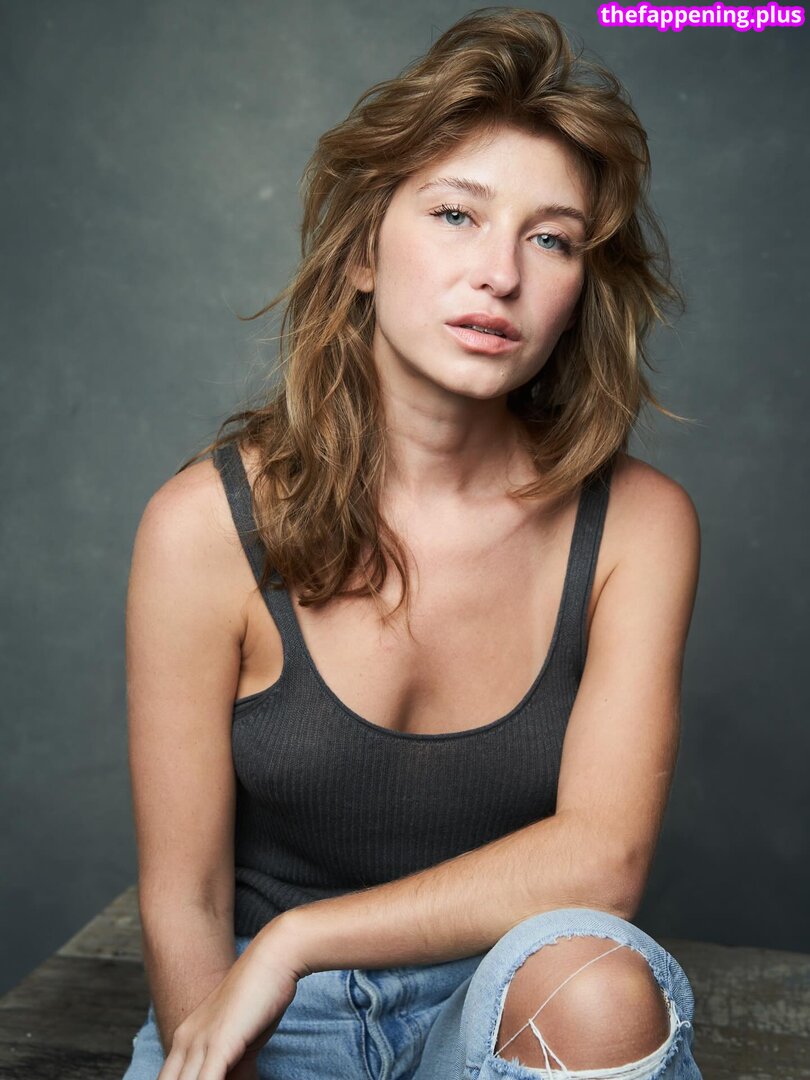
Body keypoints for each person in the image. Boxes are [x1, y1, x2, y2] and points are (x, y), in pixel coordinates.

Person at [122, 7, 703, 1079]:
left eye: (550, 238)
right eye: (455, 214)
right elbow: (185, 896)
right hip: (260, 1010)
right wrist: (243, 1007)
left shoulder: (637, 526)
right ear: (361, 254)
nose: (500, 274)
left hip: (494, 1000)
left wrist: (301, 939)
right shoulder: (202, 528)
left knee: (597, 984)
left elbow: (602, 860)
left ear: (579, 288)